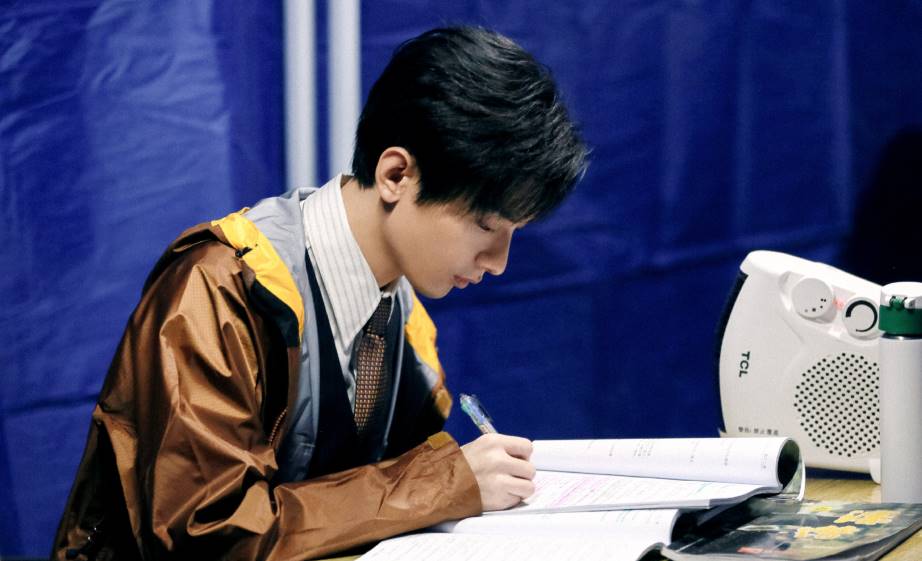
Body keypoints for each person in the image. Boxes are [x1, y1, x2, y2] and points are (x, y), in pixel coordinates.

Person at [53, 26, 587, 560]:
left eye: (514, 232)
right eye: (485, 225)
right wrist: (439, 483)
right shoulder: (221, 291)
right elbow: (210, 536)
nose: (499, 263)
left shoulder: (405, 324)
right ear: (396, 174)